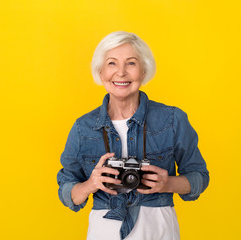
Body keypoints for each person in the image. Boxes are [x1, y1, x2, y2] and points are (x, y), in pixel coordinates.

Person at [57, 31, 209, 240]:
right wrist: (91, 184)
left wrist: (167, 183)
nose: (121, 72)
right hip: (104, 232)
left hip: (158, 232)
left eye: (131, 63)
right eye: (111, 63)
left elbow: (199, 176)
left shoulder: (173, 120)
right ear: (100, 72)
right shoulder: (83, 128)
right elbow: (67, 193)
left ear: (144, 71)